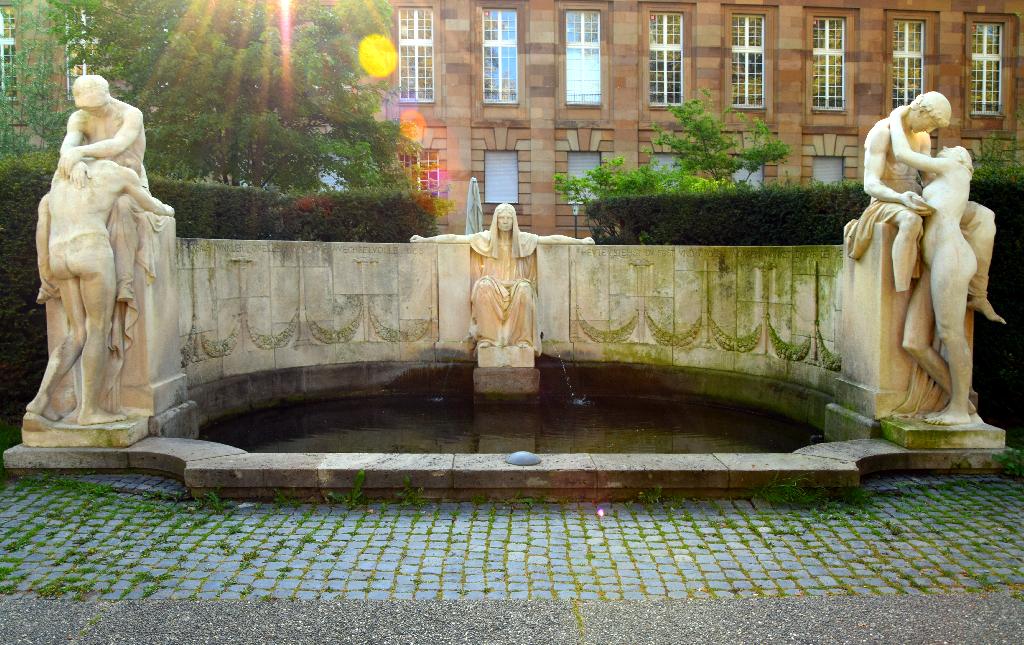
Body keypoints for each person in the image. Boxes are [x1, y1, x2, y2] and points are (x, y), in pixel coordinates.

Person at [26, 160, 174, 425]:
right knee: (97, 328)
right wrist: (168, 209)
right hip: (91, 253)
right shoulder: (120, 174)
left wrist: (45, 274)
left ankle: (39, 403)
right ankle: (90, 410)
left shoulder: (59, 185)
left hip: (60, 257)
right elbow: (152, 205)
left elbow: (42, 230)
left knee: (76, 333)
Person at [845, 91, 1003, 324]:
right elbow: (870, 185)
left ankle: (978, 293)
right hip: (887, 200)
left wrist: (953, 185)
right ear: (920, 110)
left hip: (917, 199)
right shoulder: (882, 132)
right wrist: (900, 198)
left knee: (983, 216)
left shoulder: (922, 138)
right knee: (911, 220)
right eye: (930, 123)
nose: (930, 130)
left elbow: (928, 178)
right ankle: (901, 291)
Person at [887, 106, 980, 425]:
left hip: (951, 258)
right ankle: (962, 401)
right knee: (913, 341)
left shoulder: (955, 170)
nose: (947, 147)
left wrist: (897, 116)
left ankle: (958, 410)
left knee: (951, 333)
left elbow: (902, 152)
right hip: (933, 264)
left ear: (962, 161)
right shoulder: (940, 180)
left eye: (954, 149)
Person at [411, 203, 594, 355]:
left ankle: (523, 340)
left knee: (525, 288)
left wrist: (579, 242)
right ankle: (488, 340)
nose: (505, 222)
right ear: (496, 220)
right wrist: (425, 240)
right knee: (483, 286)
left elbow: (552, 239)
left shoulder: (523, 240)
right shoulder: (485, 239)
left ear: (513, 221)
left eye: (508, 218)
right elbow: (454, 238)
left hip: (516, 285)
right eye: (502, 218)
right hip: (493, 284)